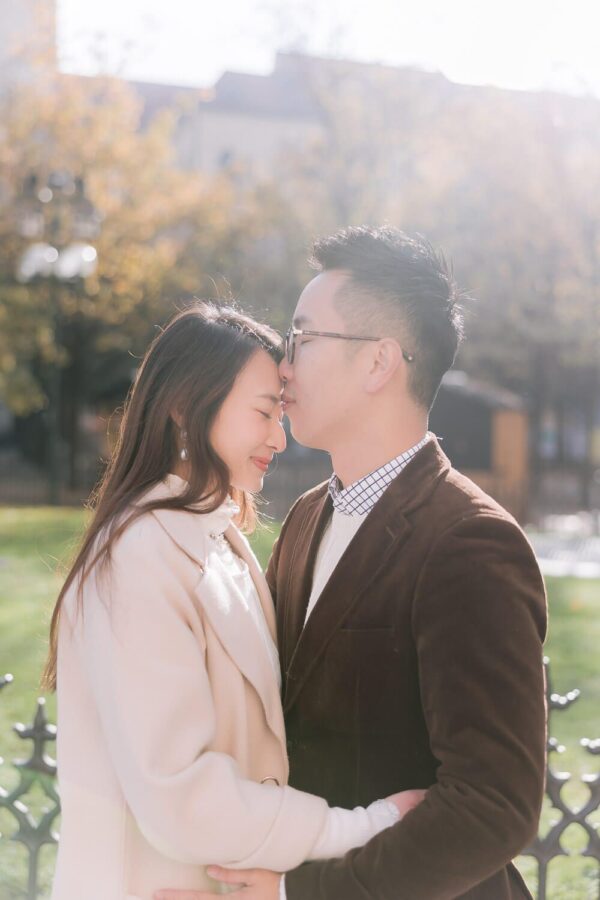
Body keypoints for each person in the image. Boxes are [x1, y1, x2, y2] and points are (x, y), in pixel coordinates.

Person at [158, 227, 547, 900]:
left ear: (379, 363)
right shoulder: (307, 517)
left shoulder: (471, 543)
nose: (282, 365)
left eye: (302, 339)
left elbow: (493, 806)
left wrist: (296, 893)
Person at [46, 302, 425, 900]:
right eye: (262, 412)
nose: (279, 436)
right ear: (182, 407)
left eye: (280, 411)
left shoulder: (219, 540)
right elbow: (181, 794)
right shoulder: (139, 555)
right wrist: (361, 829)